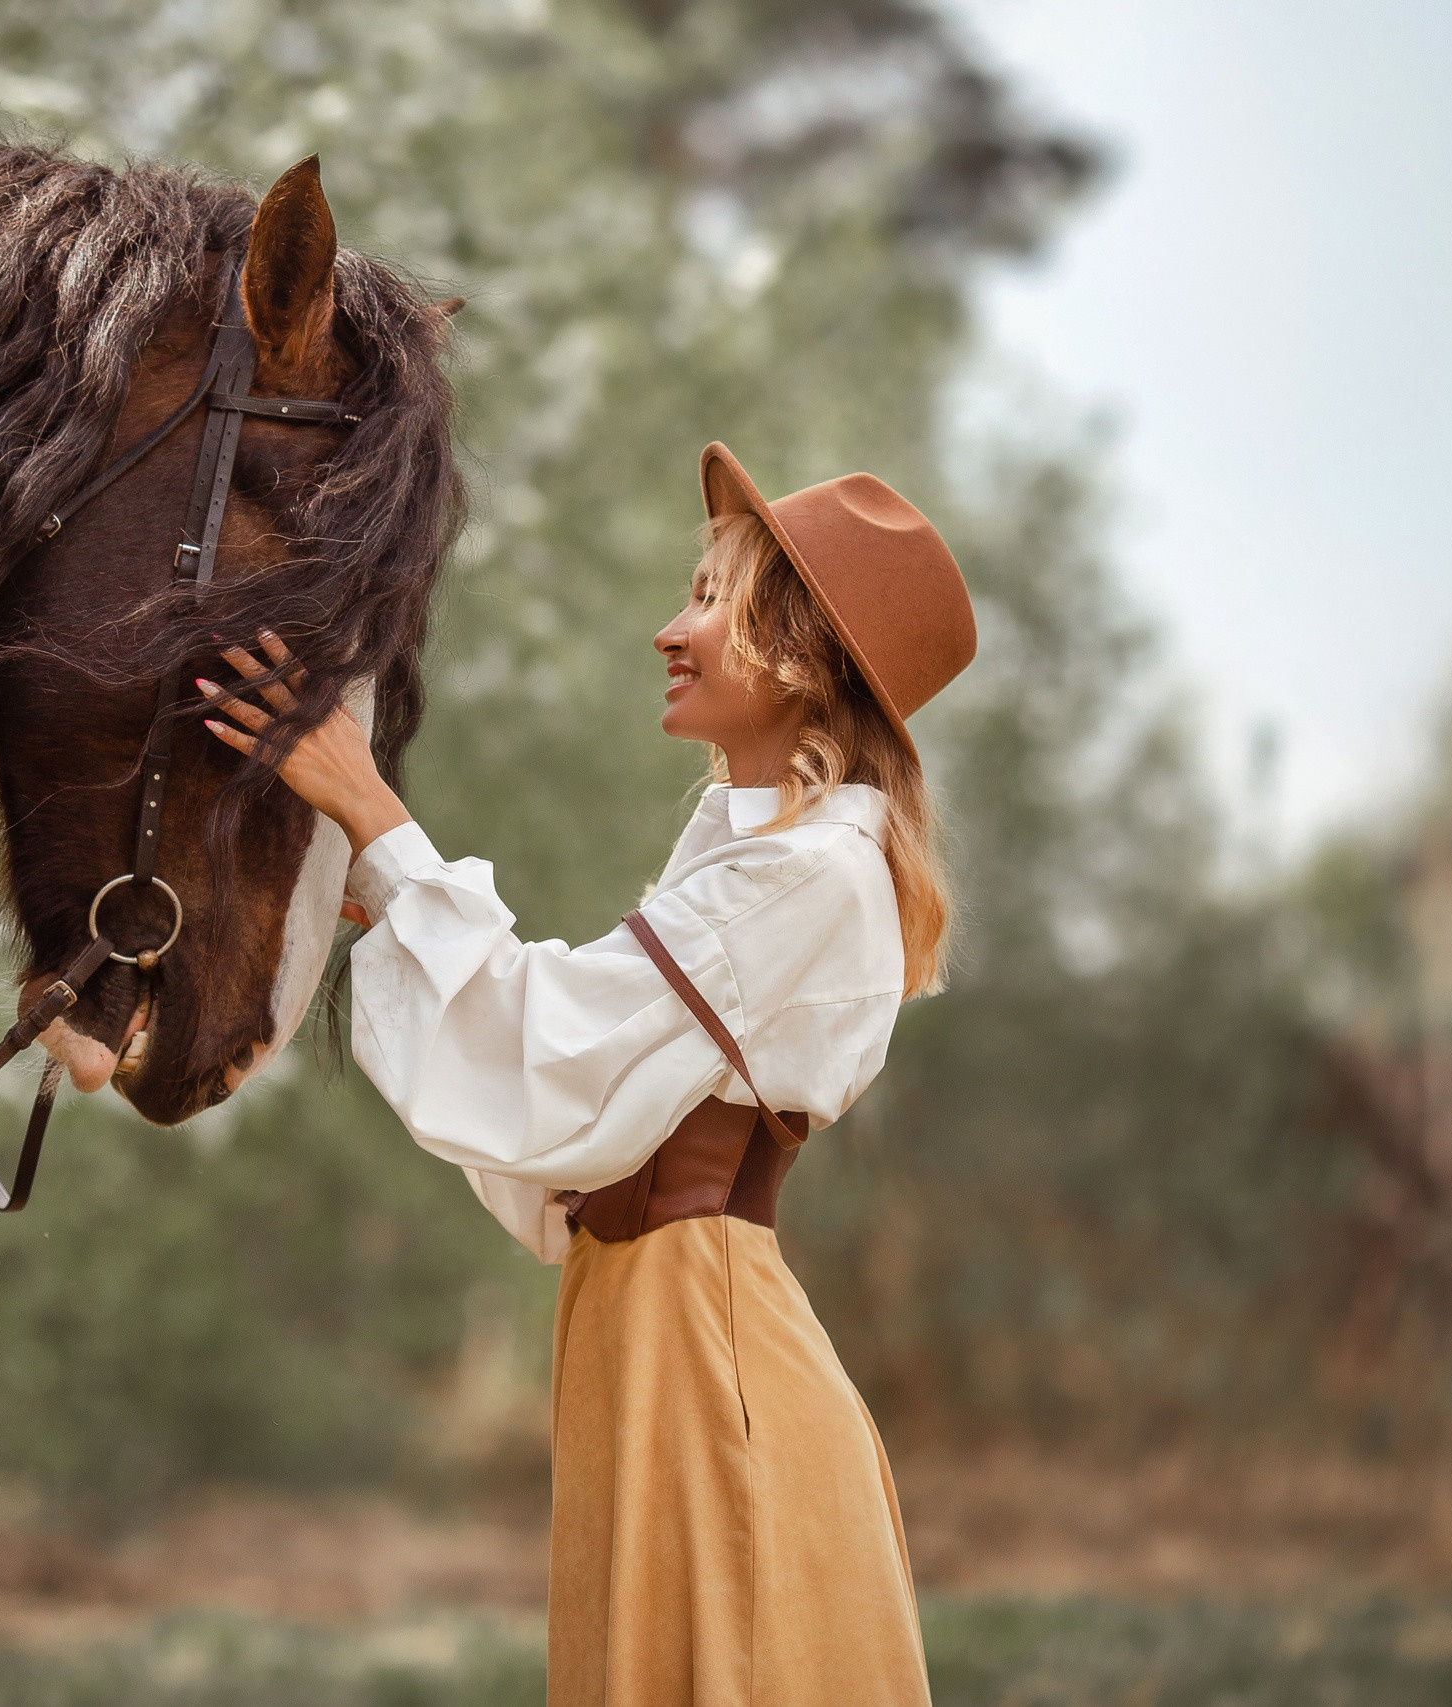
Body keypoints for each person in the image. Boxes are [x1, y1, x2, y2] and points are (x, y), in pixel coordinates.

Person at [202, 442, 975, 1707]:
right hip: (649, 1322)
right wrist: (381, 888)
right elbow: (578, 1085)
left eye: (714, 602)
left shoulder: (814, 872)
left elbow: (552, 1046)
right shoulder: (764, 860)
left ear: (807, 654)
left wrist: (375, 815)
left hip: (704, 1341)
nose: (673, 630)